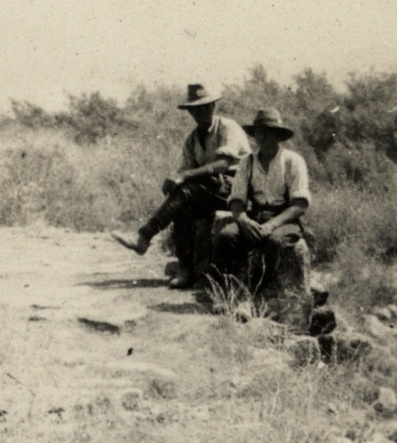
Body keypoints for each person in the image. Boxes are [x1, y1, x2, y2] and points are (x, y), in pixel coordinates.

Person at [113, 83, 251, 287]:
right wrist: (176, 179)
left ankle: (144, 236)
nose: (200, 113)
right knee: (182, 203)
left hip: (237, 189)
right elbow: (186, 170)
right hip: (212, 191)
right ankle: (185, 268)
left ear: (213, 106)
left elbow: (223, 164)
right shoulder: (192, 139)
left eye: (205, 107)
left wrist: (184, 176)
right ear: (190, 112)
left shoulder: (227, 127)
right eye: (195, 109)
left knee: (185, 191)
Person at [214, 109, 311, 323]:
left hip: (284, 218)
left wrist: (272, 225)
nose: (263, 137)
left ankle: (251, 297)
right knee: (227, 237)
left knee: (273, 242)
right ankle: (227, 292)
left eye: (268, 132)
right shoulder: (247, 162)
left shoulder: (292, 161)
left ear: (278, 136)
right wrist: (243, 220)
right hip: (255, 215)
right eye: (259, 133)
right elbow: (236, 199)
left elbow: (299, 205)